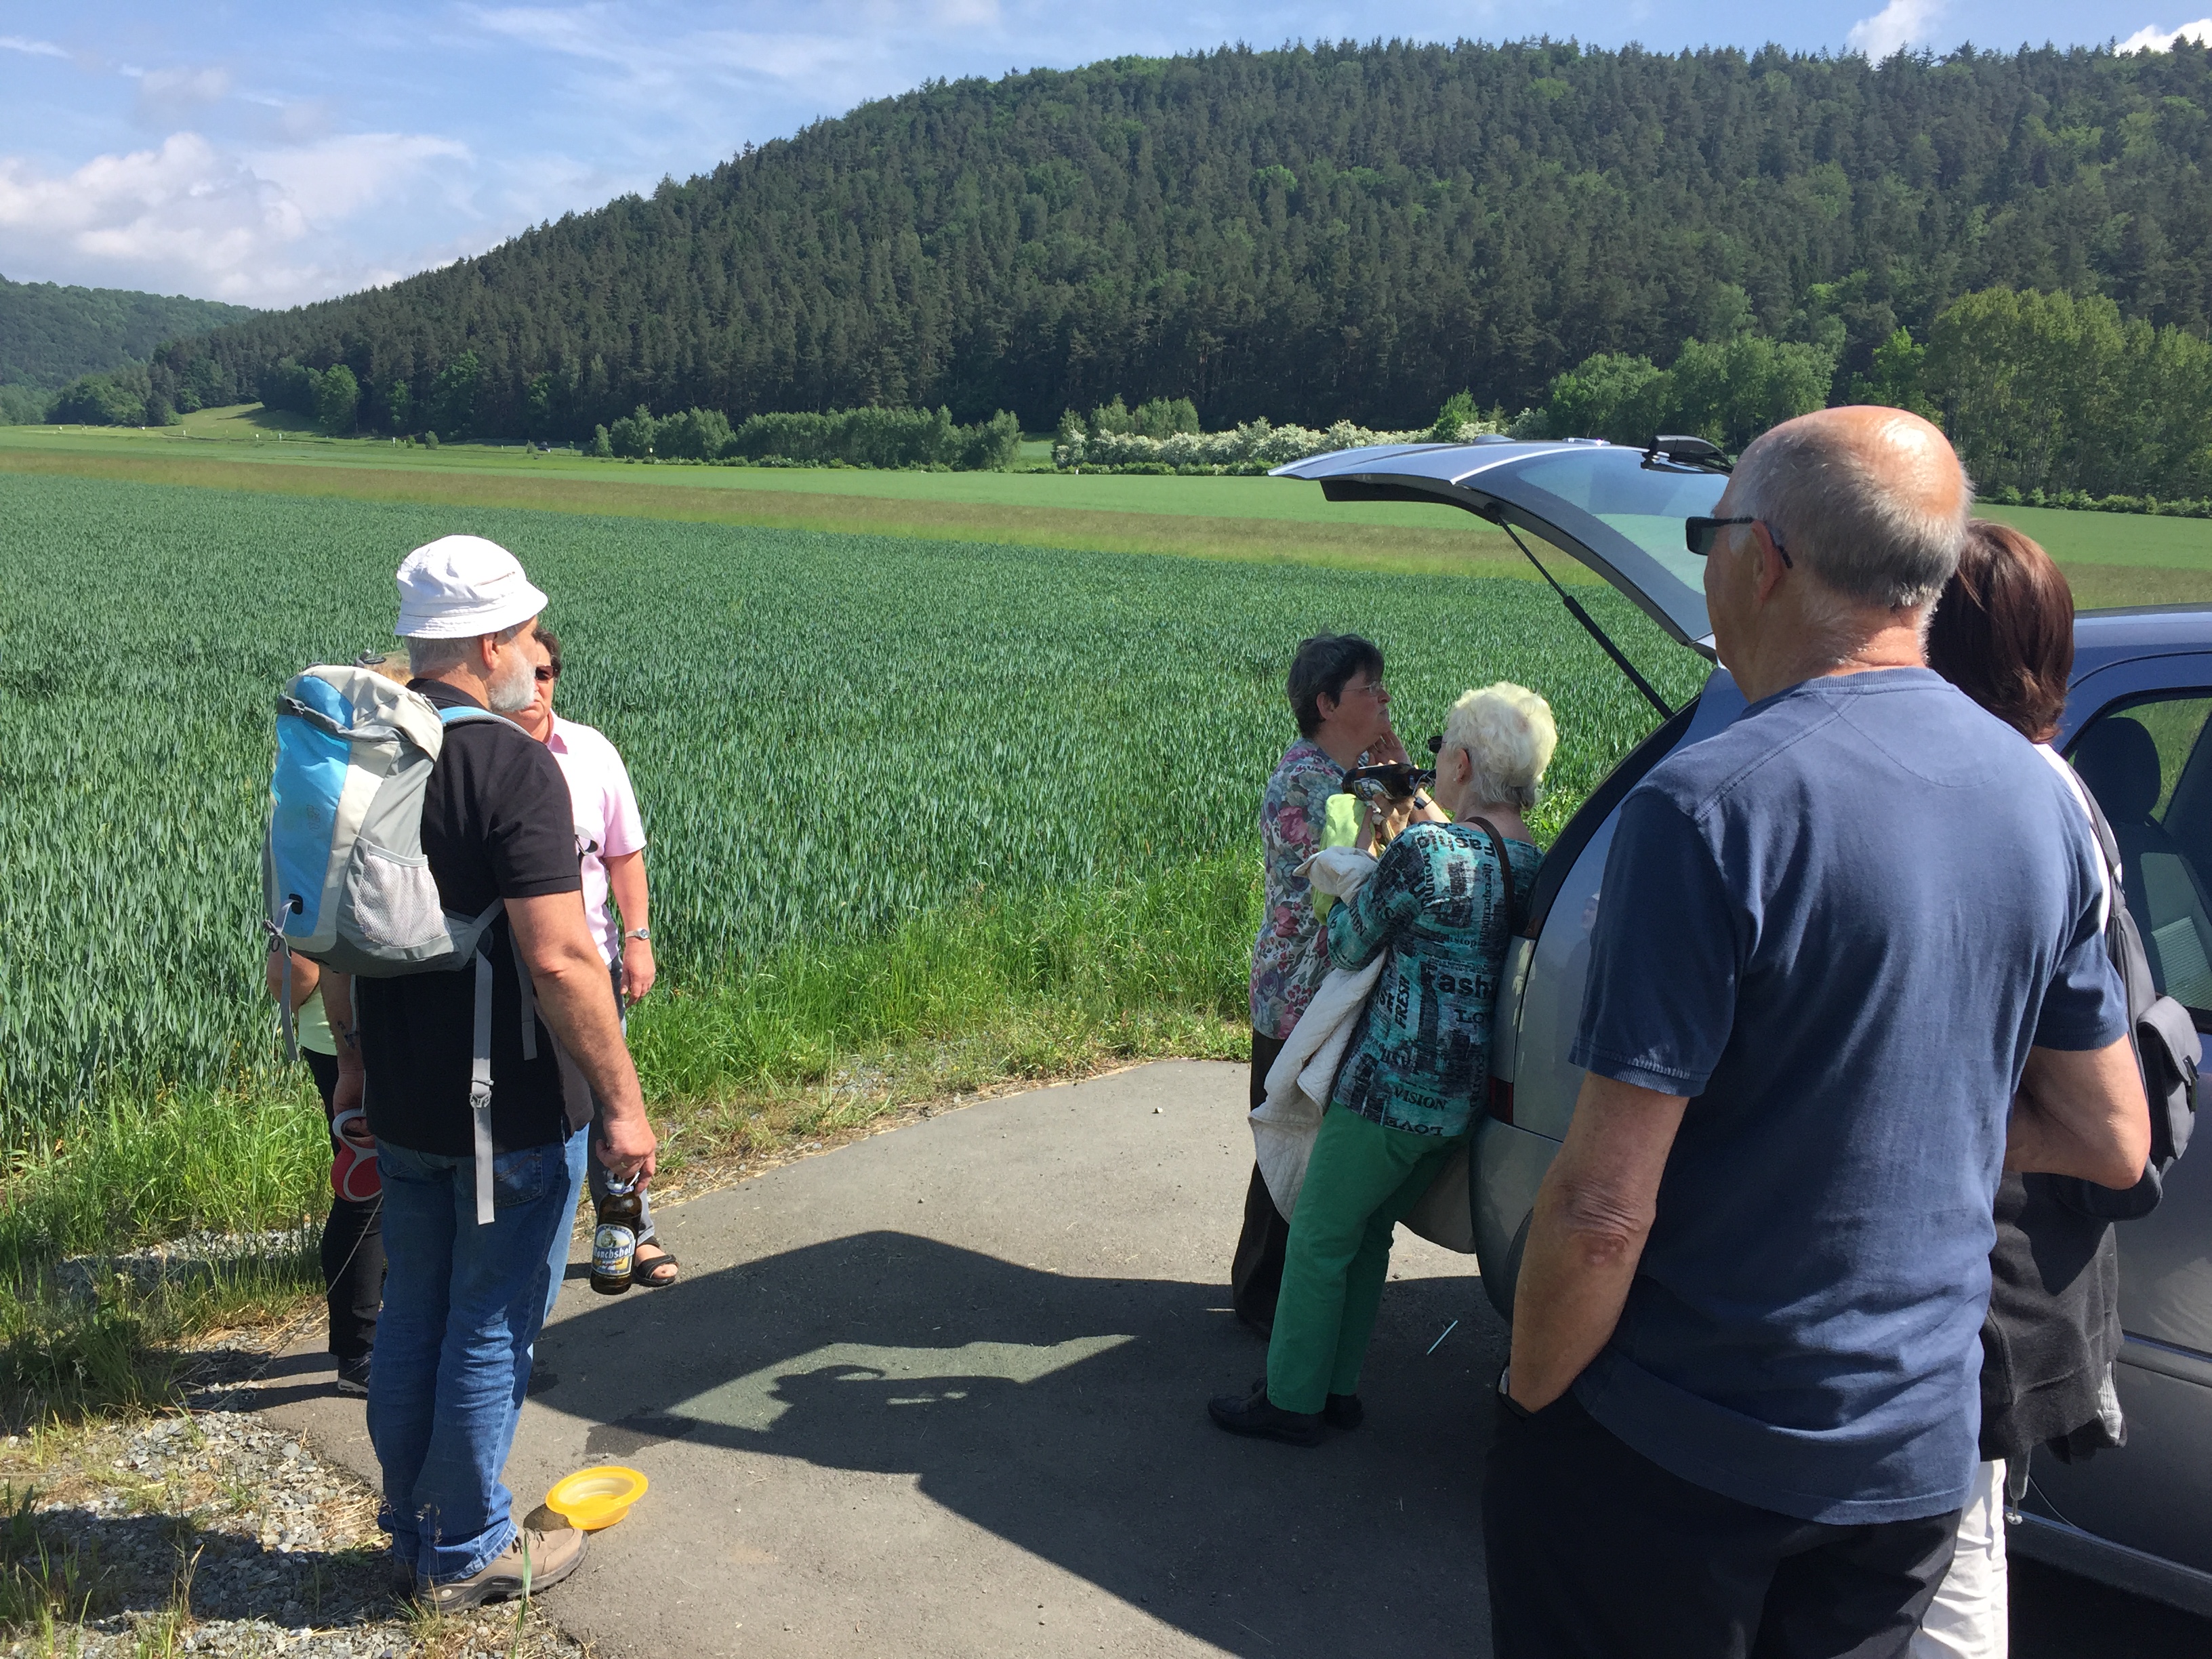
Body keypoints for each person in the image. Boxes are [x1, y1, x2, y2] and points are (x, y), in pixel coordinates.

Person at [1483, 408, 2151, 1659]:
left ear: (1764, 559)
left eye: (1710, 535)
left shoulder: (1709, 806)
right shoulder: (2040, 800)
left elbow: (1601, 1208)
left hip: (1685, 1445)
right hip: (1911, 1462)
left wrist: (1529, 1399)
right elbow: (2109, 1133)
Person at [317, 535, 657, 1612]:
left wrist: (353, 1066)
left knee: (415, 1310)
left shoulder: (367, 754)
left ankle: (409, 1530)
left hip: (403, 1099)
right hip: (503, 1108)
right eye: (524, 633)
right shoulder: (510, 765)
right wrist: (623, 1104)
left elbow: (336, 939)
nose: (529, 652)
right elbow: (560, 958)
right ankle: (465, 1550)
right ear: (492, 642)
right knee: (492, 1323)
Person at [1212, 682, 1551, 1444]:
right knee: (1369, 1235)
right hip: (1460, 1103)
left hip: (1386, 1090)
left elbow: (1345, 943)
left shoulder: (1427, 852)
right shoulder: (1534, 864)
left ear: (1463, 764)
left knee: (1320, 1235)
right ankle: (1337, 1390)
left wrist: (1367, 853)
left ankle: (1292, 1400)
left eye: (1441, 750)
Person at [1914, 520, 2128, 1658]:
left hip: (1989, 1273)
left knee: (1949, 1586)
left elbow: (2103, 1130)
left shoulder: (2006, 802)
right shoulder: (2058, 789)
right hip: (2031, 1261)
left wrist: (1899, 1118)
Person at [1236, 633, 1407, 1334]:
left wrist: (1395, 781)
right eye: (1370, 689)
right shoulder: (1307, 782)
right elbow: (1344, 885)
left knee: (1311, 1147)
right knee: (1288, 1142)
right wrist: (1383, 805)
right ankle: (1264, 1301)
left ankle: (1281, 1296)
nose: (1385, 698)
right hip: (1297, 992)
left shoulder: (1348, 775)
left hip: (1325, 990)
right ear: (1328, 704)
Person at [510, 626, 675, 1298]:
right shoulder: (479, 758)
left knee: (612, 1102)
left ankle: (630, 1231)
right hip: (505, 981)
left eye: (545, 674)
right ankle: (528, 1252)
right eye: (525, 672)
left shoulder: (591, 753)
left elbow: (624, 855)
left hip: (591, 968)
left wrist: (638, 939)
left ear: (556, 679)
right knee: (539, 1127)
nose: (533, 687)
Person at [266, 948, 384, 1397]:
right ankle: (359, 1353)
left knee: (377, 1190)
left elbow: (287, 972)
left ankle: (373, 1343)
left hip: (340, 1036)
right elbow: (291, 967)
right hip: (353, 1040)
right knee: (368, 1195)